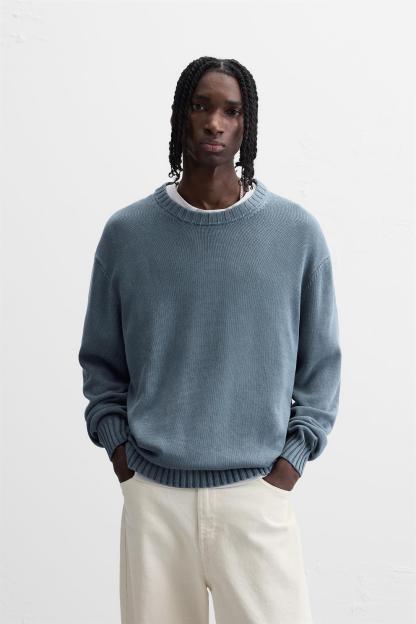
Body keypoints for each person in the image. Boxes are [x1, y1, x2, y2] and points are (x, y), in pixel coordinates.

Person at [78, 56, 342, 624]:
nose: (215, 123)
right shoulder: (127, 235)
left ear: (248, 124)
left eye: (231, 111)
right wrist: (122, 457)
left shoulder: (295, 234)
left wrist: (290, 464)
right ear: (181, 116)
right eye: (201, 106)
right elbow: (101, 363)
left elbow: (321, 367)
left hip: (257, 496)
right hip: (154, 498)